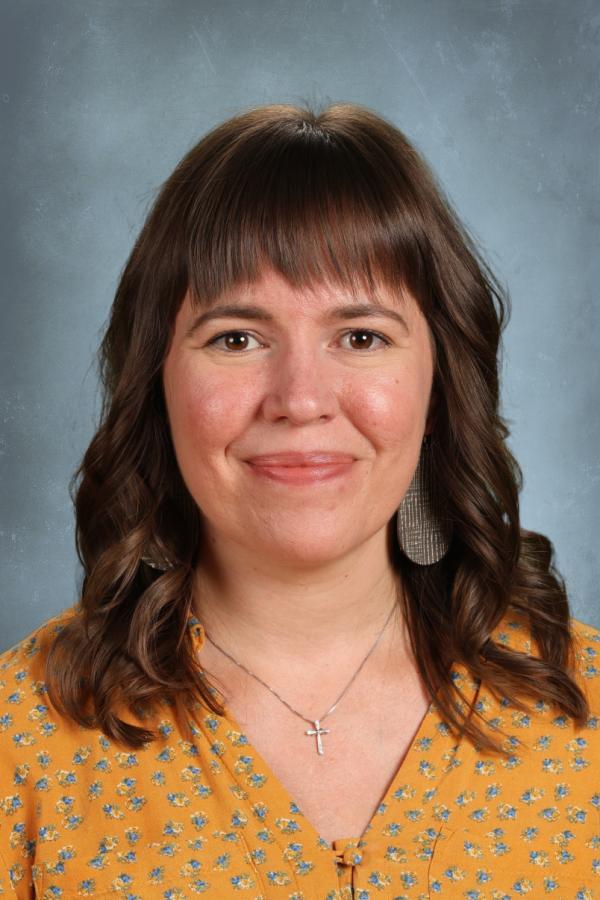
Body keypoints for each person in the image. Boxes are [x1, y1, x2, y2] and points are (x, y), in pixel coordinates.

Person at [0, 101, 598, 900]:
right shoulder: (21, 736)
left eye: (361, 336)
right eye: (236, 338)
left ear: (440, 386)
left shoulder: (587, 712)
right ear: (156, 383)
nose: (301, 399)